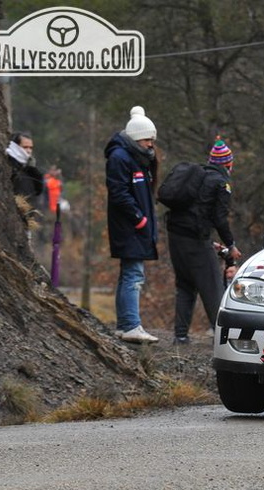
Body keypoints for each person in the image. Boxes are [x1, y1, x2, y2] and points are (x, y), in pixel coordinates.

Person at [166, 137, 242, 344]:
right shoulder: (221, 183)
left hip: (176, 236)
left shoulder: (198, 177)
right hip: (196, 240)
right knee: (213, 288)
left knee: (185, 286)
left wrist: (211, 242)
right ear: (228, 164)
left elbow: (196, 212)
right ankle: (224, 341)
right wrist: (231, 245)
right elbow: (219, 218)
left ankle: (180, 337)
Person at [105, 106, 160, 344]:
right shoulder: (120, 158)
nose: (151, 144)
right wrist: (139, 218)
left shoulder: (138, 158)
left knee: (129, 273)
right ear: (137, 138)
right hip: (129, 226)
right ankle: (130, 325)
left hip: (135, 226)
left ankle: (124, 324)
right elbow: (118, 193)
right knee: (134, 275)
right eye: (148, 139)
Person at [5, 132, 44, 203]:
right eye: (25, 147)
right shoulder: (8, 163)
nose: (29, 151)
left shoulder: (28, 166)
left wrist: (32, 169)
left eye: (31, 148)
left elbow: (38, 190)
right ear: (16, 147)